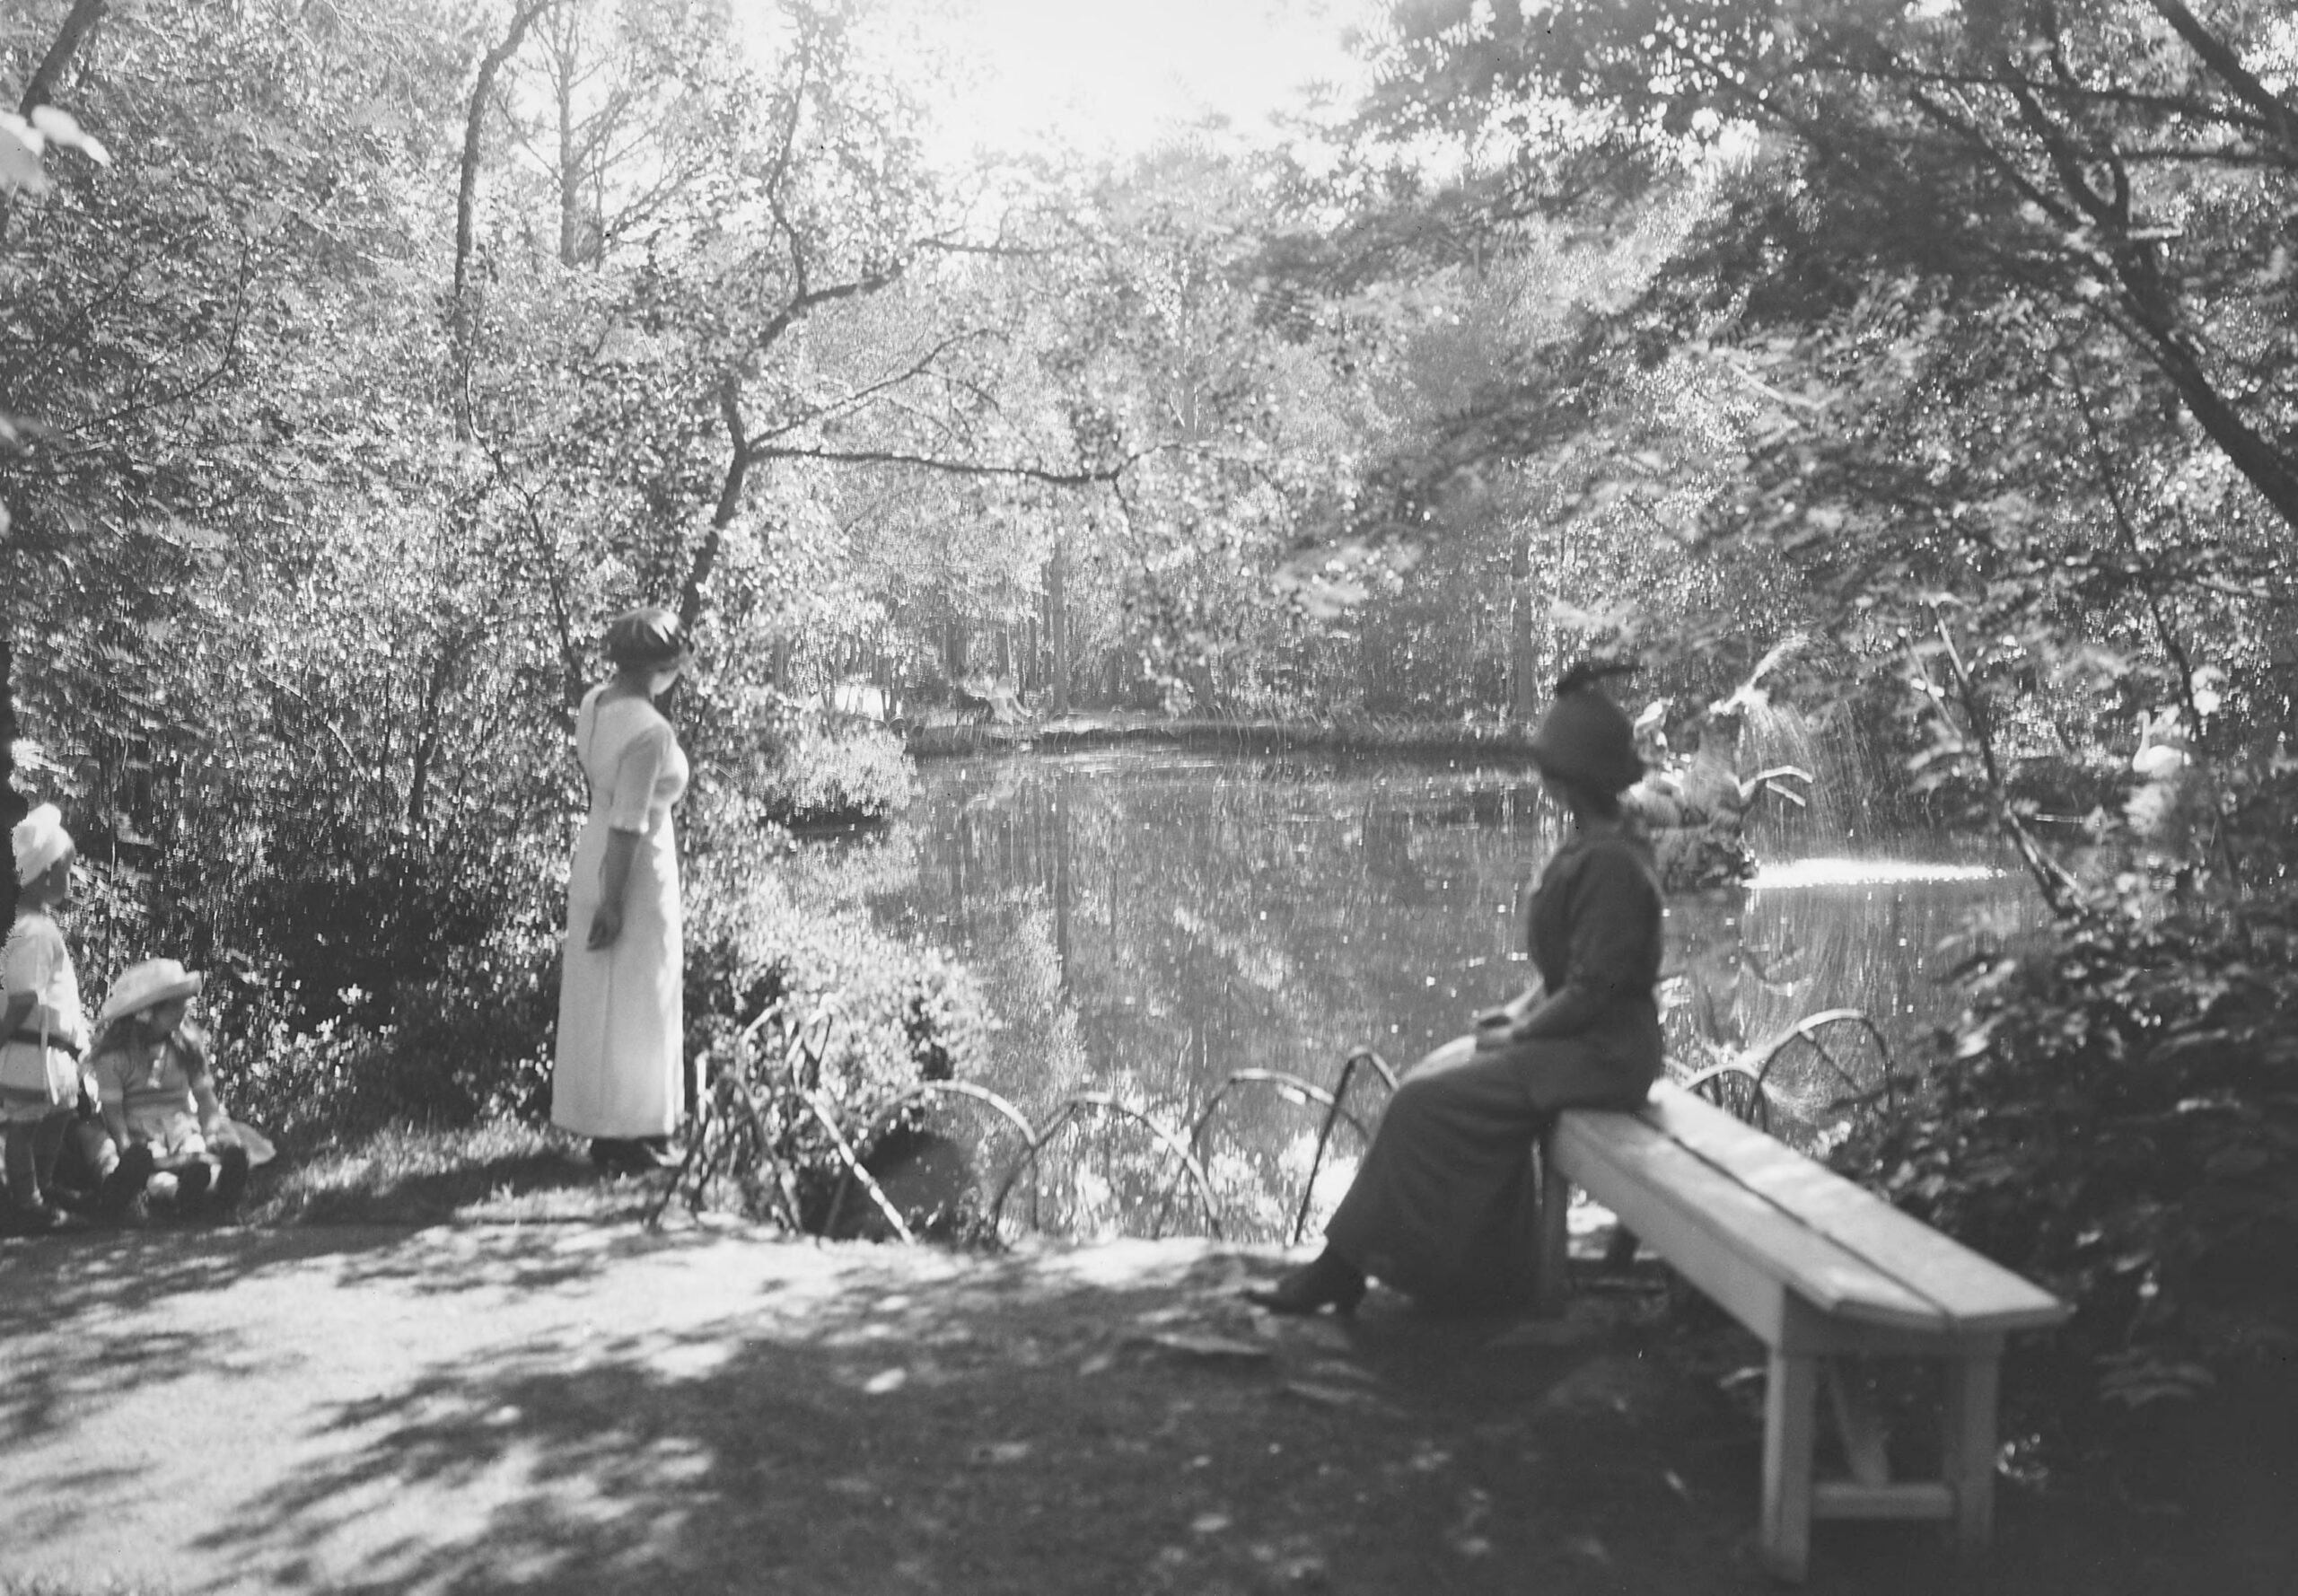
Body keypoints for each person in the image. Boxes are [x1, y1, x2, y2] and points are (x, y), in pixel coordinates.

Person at [1246, 666, 1666, 1313]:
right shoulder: (1595, 843)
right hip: (1583, 1042)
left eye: (1548, 765)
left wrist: (1522, 1034)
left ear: (1566, 776)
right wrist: (1516, 1013)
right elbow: (1566, 977)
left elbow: (1592, 991)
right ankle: (1453, 1269)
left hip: (1604, 1055)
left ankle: (1344, 1270)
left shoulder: (1610, 861)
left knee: (1423, 1103)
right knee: (1431, 1078)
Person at [553, 606, 695, 1175]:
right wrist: (614, 903)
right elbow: (630, 819)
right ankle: (628, 1136)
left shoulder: (595, 703)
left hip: (594, 853)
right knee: (639, 999)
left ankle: (615, 1127)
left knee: (601, 998)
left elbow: (609, 800)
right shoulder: (649, 731)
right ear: (663, 668)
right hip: (634, 870)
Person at [85, 958, 250, 1220]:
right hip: (139, 1133)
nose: (183, 1011)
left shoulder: (186, 1046)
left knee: (196, 1151)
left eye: (183, 1003)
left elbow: (205, 1098)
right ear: (146, 1012)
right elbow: (112, 1111)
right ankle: (178, 1193)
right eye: (174, 1006)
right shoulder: (114, 1056)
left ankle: (219, 1185)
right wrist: (125, 1146)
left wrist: (211, 1135)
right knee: (147, 1165)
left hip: (181, 1126)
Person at [2, 803, 92, 1232]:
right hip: (29, 1052)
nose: (70, 879)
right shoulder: (30, 930)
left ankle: (44, 1186)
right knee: (24, 1125)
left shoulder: (37, 924)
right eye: (67, 870)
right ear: (47, 873)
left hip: (52, 1054)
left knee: (55, 1118)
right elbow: (23, 997)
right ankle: (27, 1202)